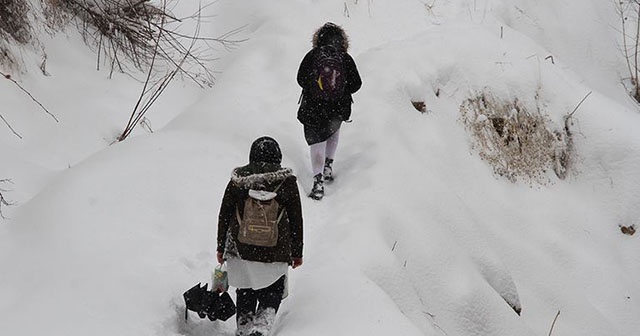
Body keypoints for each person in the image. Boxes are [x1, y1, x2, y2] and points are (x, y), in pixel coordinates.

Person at [216, 136, 304, 336]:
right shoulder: (286, 182)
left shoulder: (238, 180)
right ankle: (262, 327)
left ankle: (244, 327)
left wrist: (221, 247)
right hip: (275, 249)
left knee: (245, 288)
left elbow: (224, 215)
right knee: (272, 290)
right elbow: (296, 219)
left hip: (240, 248)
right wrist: (297, 252)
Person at [296, 22, 362, 200]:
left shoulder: (312, 56)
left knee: (316, 141)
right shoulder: (345, 58)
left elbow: (300, 78)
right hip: (337, 108)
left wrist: (315, 88)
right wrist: (339, 90)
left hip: (313, 108)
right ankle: (328, 166)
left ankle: (318, 181)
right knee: (332, 131)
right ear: (342, 41)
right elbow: (357, 84)